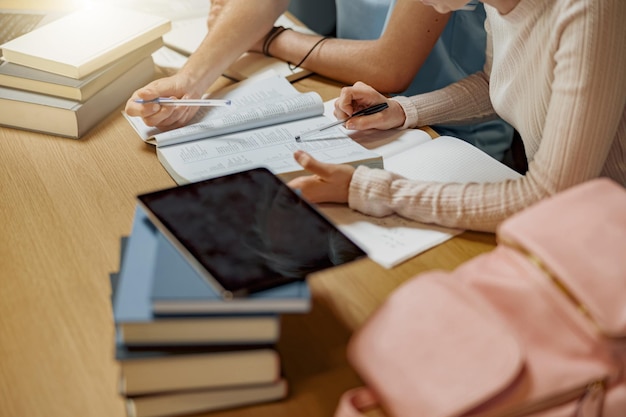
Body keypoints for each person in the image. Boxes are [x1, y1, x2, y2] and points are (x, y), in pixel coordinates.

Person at [288, 0, 626, 233]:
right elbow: (494, 83)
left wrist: (373, 190)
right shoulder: (501, 7)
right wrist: (404, 110)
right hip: (572, 225)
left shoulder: (589, 10)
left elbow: (549, 196)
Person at [125, 0, 513, 161]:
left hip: (450, 131)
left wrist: (273, 40)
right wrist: (191, 80)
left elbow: (390, 66)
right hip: (360, 111)